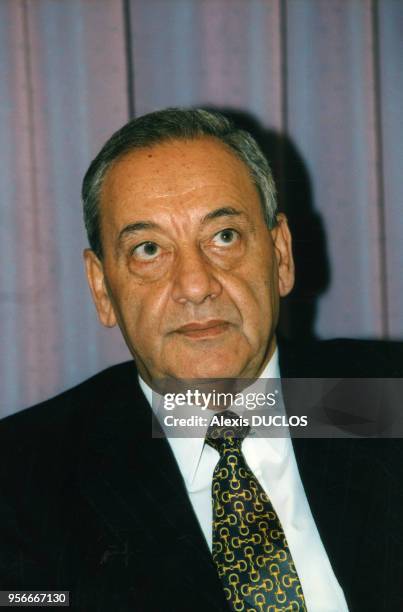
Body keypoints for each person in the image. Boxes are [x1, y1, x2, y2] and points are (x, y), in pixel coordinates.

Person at [0, 108, 402, 612]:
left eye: (224, 237)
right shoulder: (21, 479)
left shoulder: (386, 398)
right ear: (102, 287)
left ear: (280, 256)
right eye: (149, 249)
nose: (195, 286)